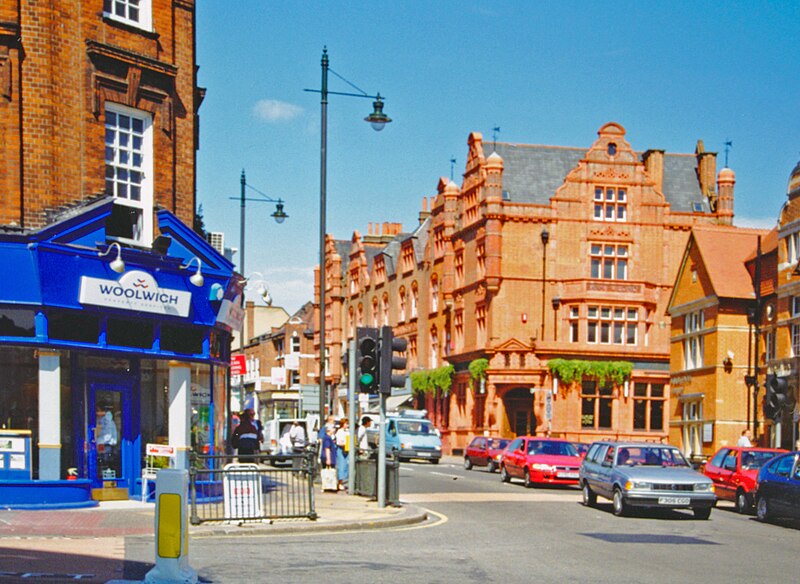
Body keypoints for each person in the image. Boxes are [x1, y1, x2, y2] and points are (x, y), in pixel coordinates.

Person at [335, 419, 350, 489]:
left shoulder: (348, 431)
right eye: (346, 424)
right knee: (341, 466)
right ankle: (340, 483)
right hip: (341, 450)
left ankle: (344, 482)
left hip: (347, 450)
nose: (347, 425)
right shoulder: (339, 432)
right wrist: (344, 444)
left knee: (346, 466)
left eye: (347, 424)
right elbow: (339, 442)